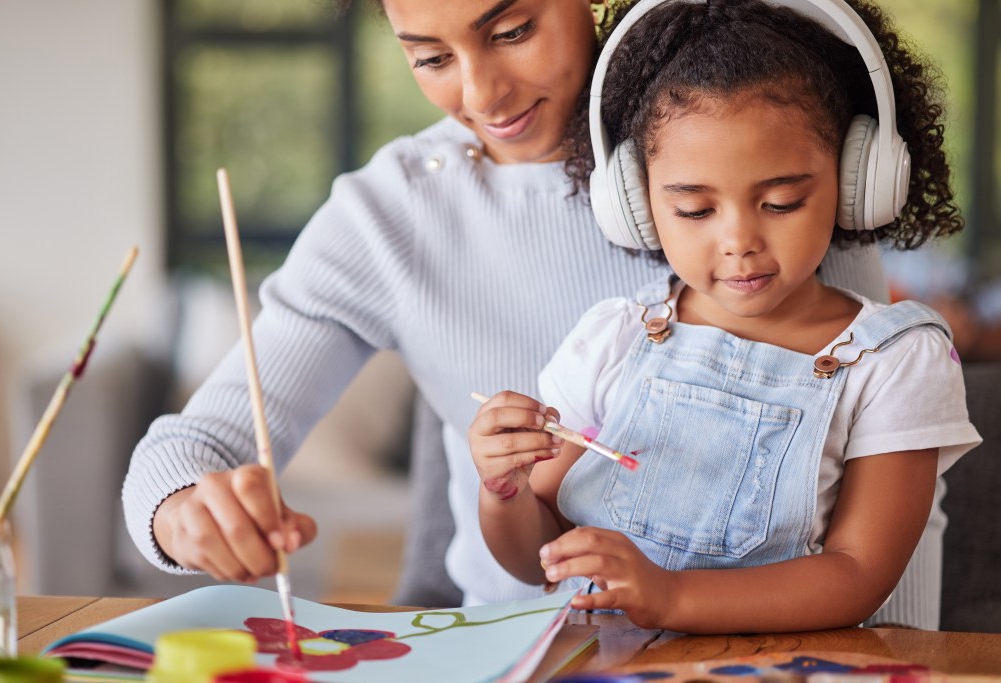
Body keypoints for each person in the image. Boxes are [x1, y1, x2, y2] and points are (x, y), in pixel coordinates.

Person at [122, 0, 915, 621]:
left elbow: (883, 482)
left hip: (790, 638)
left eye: (511, 29)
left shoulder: (756, 138)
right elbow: (196, 444)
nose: (481, 93)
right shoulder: (386, 217)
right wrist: (185, 512)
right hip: (525, 639)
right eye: (430, 57)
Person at [469, 0, 981, 632]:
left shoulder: (894, 361)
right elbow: (537, 559)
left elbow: (857, 575)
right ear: (635, 202)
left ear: (856, 180)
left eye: (782, 201)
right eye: (694, 210)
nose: (739, 240)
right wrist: (504, 491)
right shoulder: (614, 339)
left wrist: (673, 596)